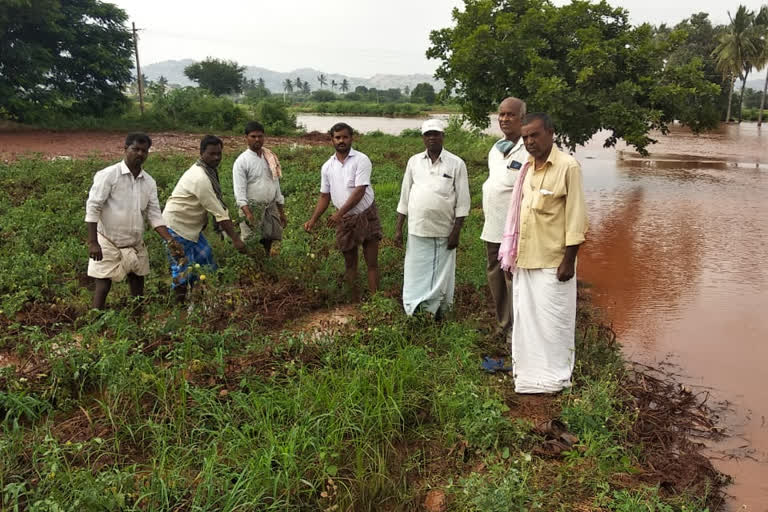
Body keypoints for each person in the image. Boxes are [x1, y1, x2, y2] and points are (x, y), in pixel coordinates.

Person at [499, 113, 589, 394]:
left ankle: (555, 378)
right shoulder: (527, 167)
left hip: (553, 262)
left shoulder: (567, 167)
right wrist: (510, 255)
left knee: (554, 323)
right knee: (526, 320)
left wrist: (569, 261)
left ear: (551, 133)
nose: (529, 141)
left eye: (535, 135)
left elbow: (576, 218)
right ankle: (528, 376)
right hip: (525, 258)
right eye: (525, 137)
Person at [85, 133, 183, 309]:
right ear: (125, 149)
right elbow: (93, 207)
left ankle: (137, 322)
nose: (139, 154)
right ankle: (94, 324)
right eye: (135, 149)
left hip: (135, 243)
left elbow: (154, 216)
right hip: (108, 241)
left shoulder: (149, 182)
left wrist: (170, 240)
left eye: (144, 151)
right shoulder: (109, 175)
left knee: (138, 282)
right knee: (103, 284)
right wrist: (93, 242)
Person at [394, 119, 471, 318]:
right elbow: (405, 196)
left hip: (443, 231)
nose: (432, 138)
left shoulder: (456, 163)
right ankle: (413, 309)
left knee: (440, 274)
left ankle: (438, 311)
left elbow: (463, 203)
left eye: (436, 134)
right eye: (428, 134)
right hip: (417, 229)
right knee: (415, 272)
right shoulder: (414, 162)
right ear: (423, 138)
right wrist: (398, 230)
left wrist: (456, 232)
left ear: (443, 136)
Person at [163, 135, 247, 302]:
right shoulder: (200, 177)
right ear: (202, 153)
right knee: (182, 271)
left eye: (219, 154)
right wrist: (236, 240)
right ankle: (179, 314)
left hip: (192, 229)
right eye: (211, 154)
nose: (216, 158)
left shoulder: (208, 171)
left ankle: (200, 304)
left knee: (206, 262)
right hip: (176, 228)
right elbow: (219, 212)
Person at [303, 122, 382, 300]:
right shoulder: (327, 167)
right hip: (345, 220)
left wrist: (338, 214)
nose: (341, 141)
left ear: (351, 138)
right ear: (331, 139)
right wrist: (313, 219)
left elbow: (360, 190)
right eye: (337, 137)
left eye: (345, 137)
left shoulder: (361, 160)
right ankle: (354, 302)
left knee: (371, 263)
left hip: (366, 215)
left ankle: (375, 303)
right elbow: (324, 196)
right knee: (350, 263)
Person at [482, 97, 529, 337]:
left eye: (510, 114)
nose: (504, 119)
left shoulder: (528, 148)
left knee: (513, 276)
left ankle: (517, 330)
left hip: (515, 229)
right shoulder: (496, 148)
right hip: (493, 225)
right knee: (495, 273)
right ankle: (503, 324)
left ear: (522, 117)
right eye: (501, 114)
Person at [233, 121, 287, 256]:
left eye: (260, 136)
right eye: (253, 136)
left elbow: (276, 185)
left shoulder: (269, 157)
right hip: (252, 208)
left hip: (270, 206)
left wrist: (281, 211)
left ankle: (266, 261)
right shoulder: (242, 161)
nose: (257, 139)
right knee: (250, 241)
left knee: (268, 238)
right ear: (246, 138)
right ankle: (252, 269)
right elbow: (239, 194)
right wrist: (249, 214)